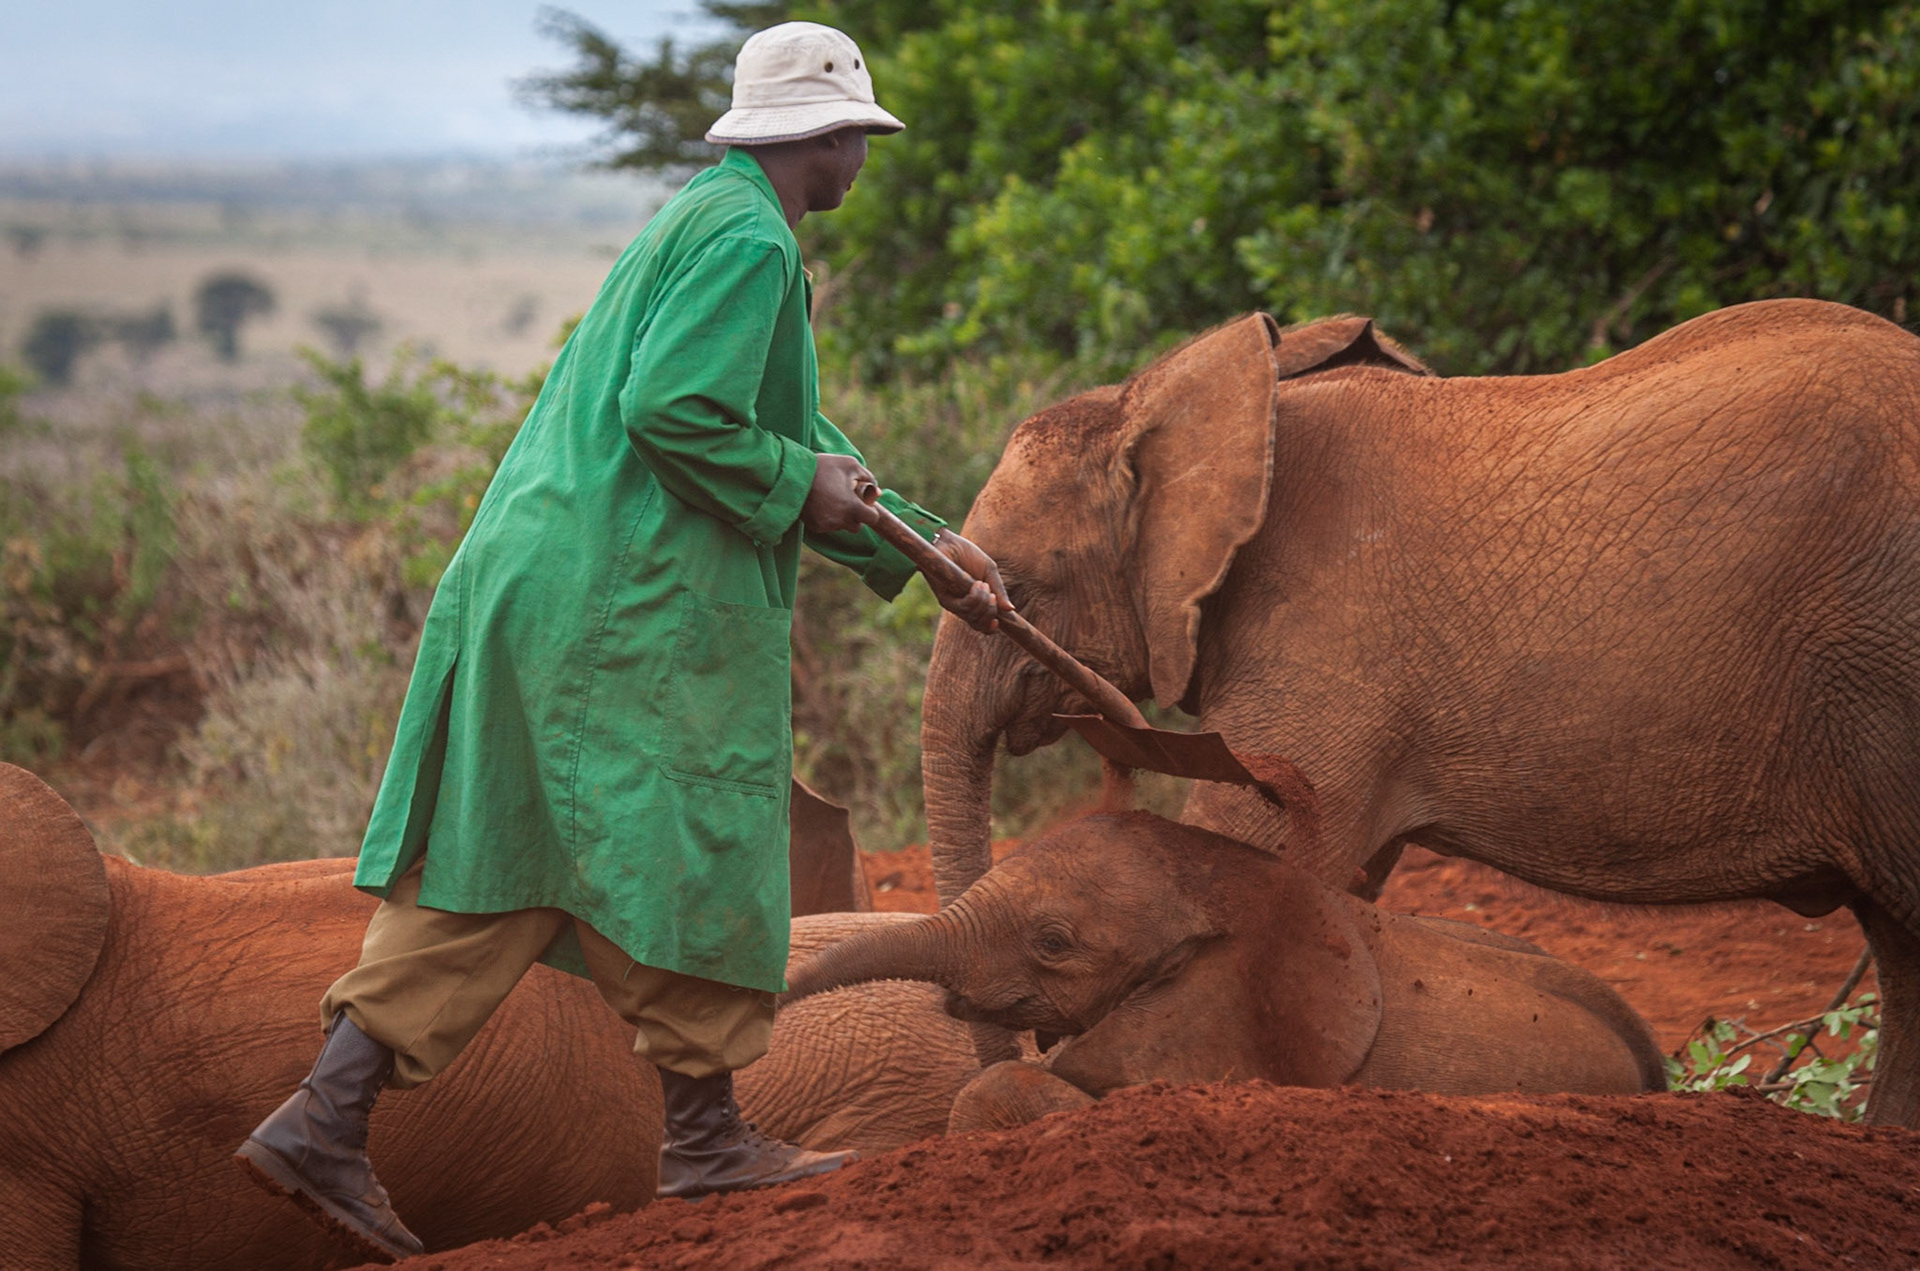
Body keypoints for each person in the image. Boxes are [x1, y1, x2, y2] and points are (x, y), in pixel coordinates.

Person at [234, 22, 1010, 1264]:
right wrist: (807, 497)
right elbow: (677, 413)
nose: (861, 160)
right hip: (619, 608)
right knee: (697, 840)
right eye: (857, 136)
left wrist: (926, 548)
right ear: (822, 138)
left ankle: (328, 1116)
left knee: (502, 860)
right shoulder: (752, 240)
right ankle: (704, 1140)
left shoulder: (706, 217)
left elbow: (794, 436)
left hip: (542, 588)